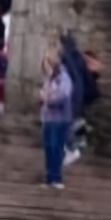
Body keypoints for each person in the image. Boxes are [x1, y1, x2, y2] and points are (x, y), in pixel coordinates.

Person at [39, 52, 74, 189]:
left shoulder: (64, 78)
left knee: (56, 147)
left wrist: (48, 98)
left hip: (59, 119)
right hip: (48, 117)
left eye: (47, 65)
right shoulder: (50, 79)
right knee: (49, 148)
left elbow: (63, 95)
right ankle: (50, 178)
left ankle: (57, 178)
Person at [58, 32, 89, 166]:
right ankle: (74, 145)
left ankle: (72, 148)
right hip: (79, 92)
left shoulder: (66, 57)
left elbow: (67, 75)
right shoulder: (79, 57)